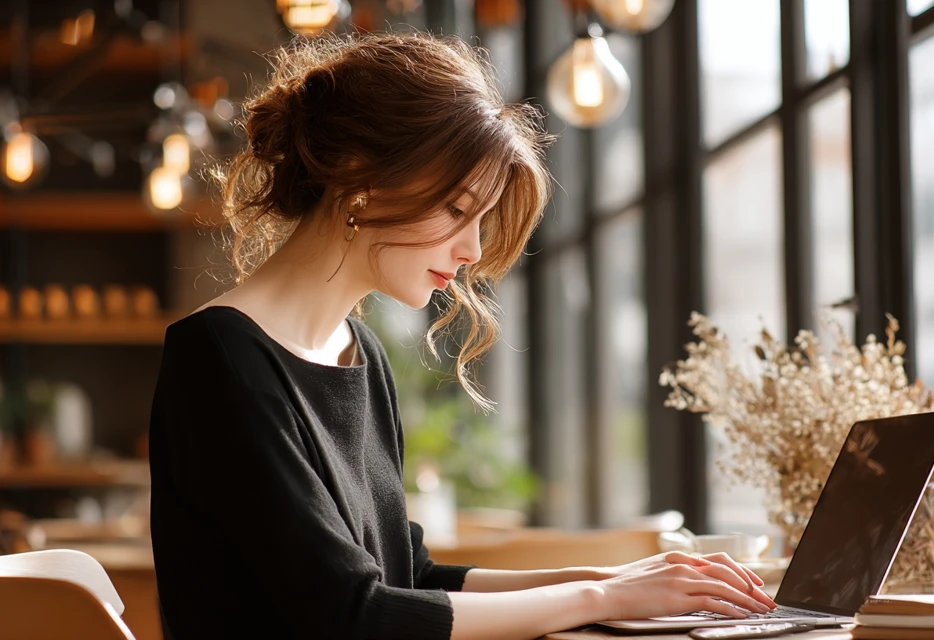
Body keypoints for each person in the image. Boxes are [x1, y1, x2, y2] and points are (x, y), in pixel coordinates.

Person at [147, 32, 776, 640]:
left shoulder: (358, 354)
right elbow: (353, 617)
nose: (472, 250)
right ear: (359, 175)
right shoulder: (220, 357)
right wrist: (602, 597)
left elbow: (410, 579)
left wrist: (610, 578)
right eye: (456, 210)